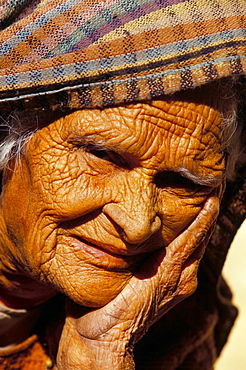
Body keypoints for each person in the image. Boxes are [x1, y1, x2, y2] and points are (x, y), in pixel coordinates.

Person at [0, 0, 245, 369]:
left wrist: (98, 353)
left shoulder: (174, 327)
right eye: (104, 157)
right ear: (8, 146)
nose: (137, 224)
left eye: (182, 182)